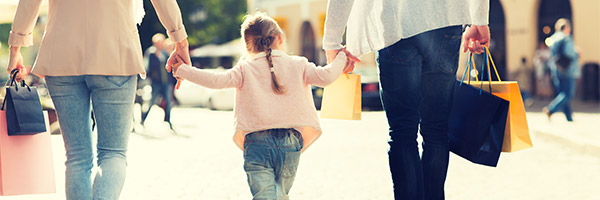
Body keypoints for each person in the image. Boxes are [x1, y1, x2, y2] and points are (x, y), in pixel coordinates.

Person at [6, 0, 191, 199]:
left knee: (76, 157)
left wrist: (16, 47)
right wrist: (180, 40)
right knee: (113, 154)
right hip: (116, 55)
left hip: (61, 57)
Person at [171, 12, 352, 199]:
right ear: (280, 38)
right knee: (280, 195)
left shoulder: (244, 68)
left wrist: (183, 70)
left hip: (256, 142)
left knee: (265, 196)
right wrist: (341, 58)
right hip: (291, 142)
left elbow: (216, 80)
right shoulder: (299, 64)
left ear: (247, 47)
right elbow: (326, 77)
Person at [323, 0, 490, 199]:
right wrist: (479, 19)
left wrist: (332, 41)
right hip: (445, 20)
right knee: (436, 129)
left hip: (396, 23)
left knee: (402, 131)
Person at [543, 18, 580, 122]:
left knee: (562, 93)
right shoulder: (566, 38)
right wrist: (577, 53)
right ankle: (551, 109)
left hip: (556, 69)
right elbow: (569, 53)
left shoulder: (553, 39)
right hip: (568, 70)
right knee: (567, 94)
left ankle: (569, 117)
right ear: (566, 28)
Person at [141, 33, 174, 129]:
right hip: (155, 83)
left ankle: (168, 121)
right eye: (159, 42)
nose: (160, 44)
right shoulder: (151, 53)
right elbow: (147, 67)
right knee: (151, 102)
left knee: (168, 102)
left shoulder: (165, 53)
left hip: (166, 82)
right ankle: (143, 119)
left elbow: (169, 67)